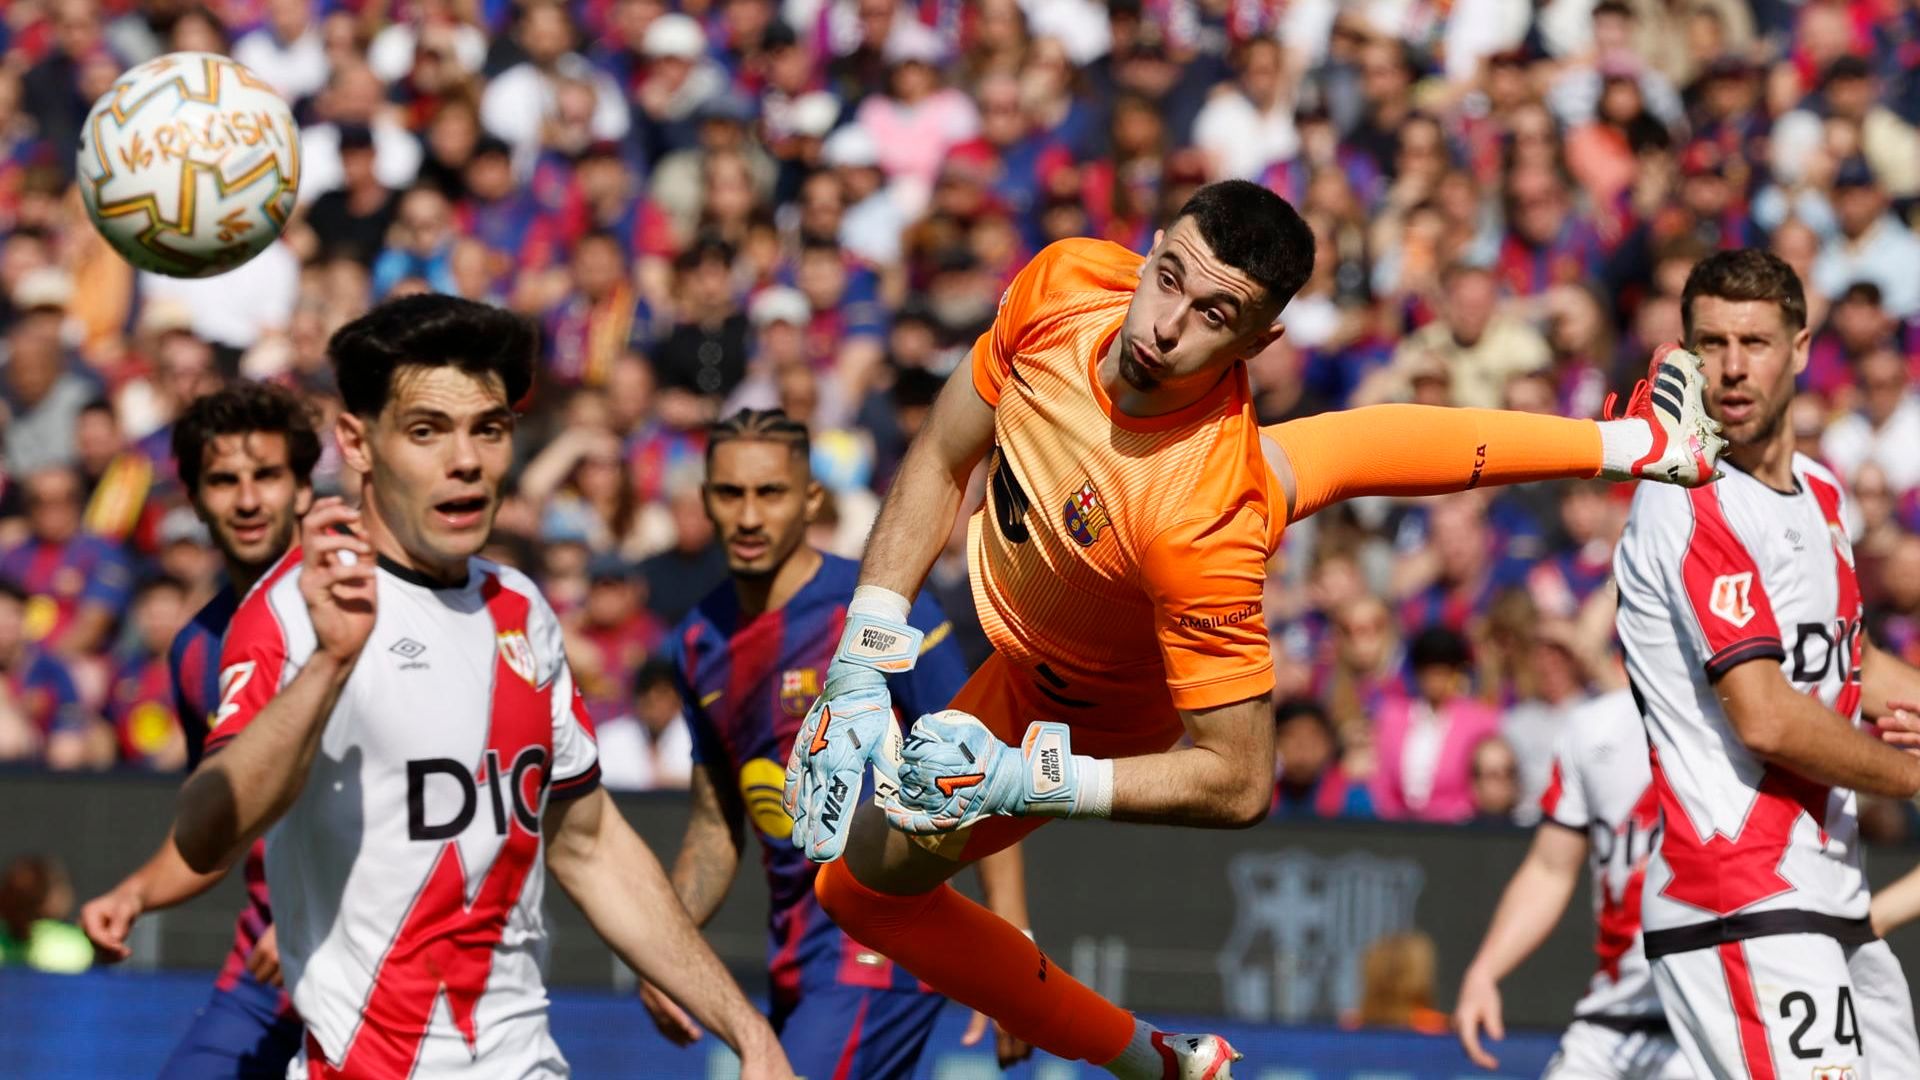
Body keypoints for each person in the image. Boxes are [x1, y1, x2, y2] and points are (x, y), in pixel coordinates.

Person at [784, 179, 1726, 1078]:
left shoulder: (1202, 522)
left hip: (1083, 703)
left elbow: (1238, 782)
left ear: (1261, 340)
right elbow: (944, 452)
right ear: (1148, 250)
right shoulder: (1066, 281)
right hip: (1073, 597)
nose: (1164, 326)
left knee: (859, 891)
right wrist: (866, 649)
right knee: (1338, 450)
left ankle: (1150, 1061)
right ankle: (1635, 442)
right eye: (1170, 279)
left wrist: (1025, 774)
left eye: (1214, 317)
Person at [166, 295, 791, 1078]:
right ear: (358, 442)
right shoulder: (295, 612)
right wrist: (330, 664)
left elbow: (589, 844)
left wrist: (748, 1032)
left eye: (488, 429)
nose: (466, 460)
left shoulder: (521, 609)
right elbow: (202, 834)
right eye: (427, 430)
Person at [642, 408, 1030, 1076]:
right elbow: (714, 826)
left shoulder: (877, 604)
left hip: (883, 937)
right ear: (704, 500)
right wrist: (663, 950)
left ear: (811, 498)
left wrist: (1013, 953)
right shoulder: (697, 642)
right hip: (796, 954)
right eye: (730, 494)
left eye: (771, 493)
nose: (749, 516)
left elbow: (977, 764)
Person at [1613, 248, 1920, 1077]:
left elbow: (1845, 655)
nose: (1733, 367)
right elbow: (1768, 715)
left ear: (1801, 347)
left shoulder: (1821, 489)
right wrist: (1912, 776)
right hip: (1740, 894)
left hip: (1829, 894)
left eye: (1754, 341)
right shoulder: (1685, 496)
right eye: (1710, 344)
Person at [80, 382, 323, 1079]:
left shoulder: (370, 608)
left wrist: (322, 916)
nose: (247, 500)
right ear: (193, 497)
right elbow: (219, 830)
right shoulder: (195, 651)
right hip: (264, 983)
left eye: (267, 476)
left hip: (385, 960)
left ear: (304, 487)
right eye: (223, 481)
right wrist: (135, 893)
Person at [1455, 687, 1689, 1078]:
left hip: (1711, 1016)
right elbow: (1550, 867)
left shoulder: (1751, 715)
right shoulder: (1592, 727)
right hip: (1612, 1014)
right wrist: (1484, 971)